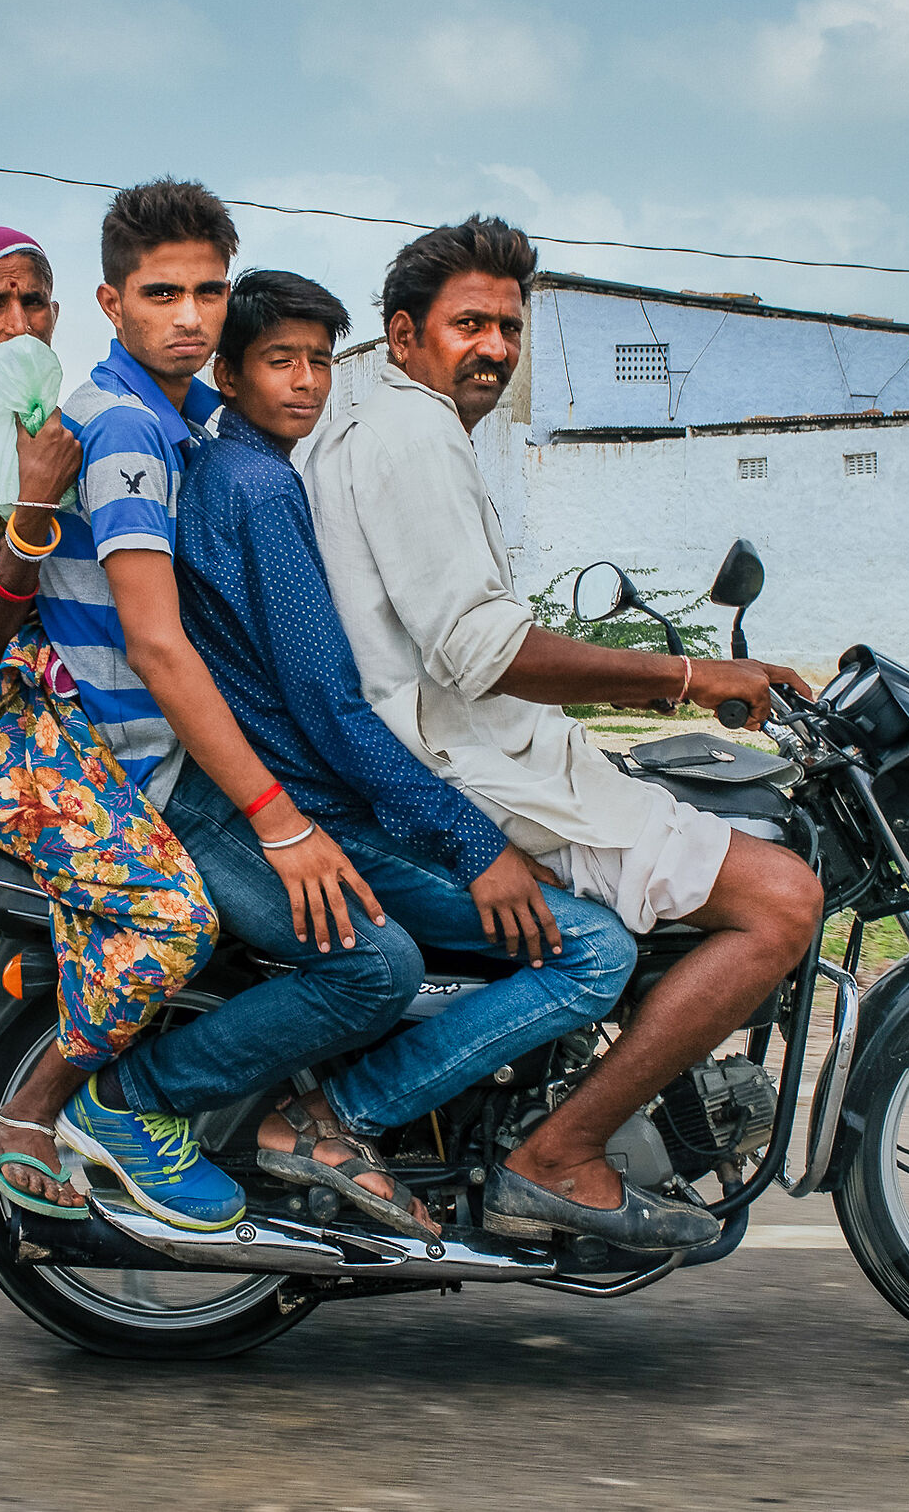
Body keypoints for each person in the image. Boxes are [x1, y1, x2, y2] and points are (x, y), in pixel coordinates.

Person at [305, 216, 826, 1251]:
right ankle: (557, 1154)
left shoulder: (392, 429)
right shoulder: (410, 435)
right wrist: (686, 678)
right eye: (470, 324)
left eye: (509, 325)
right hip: (473, 774)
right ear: (405, 337)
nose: (496, 345)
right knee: (783, 900)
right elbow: (481, 647)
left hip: (478, 755)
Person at [102, 267, 637, 1236]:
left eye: (318, 361)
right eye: (278, 360)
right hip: (298, 803)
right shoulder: (260, 487)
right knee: (595, 949)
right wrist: (473, 842)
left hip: (302, 791)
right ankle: (312, 1116)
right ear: (228, 374)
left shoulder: (245, 469)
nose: (305, 381)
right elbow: (331, 705)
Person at [31, 179, 410, 1226]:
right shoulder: (123, 434)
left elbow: (265, 418)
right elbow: (157, 643)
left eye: (208, 292)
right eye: (162, 295)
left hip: (173, 752)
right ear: (112, 305)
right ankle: (131, 1109)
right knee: (376, 967)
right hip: (155, 771)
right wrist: (278, 822)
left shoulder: (175, 410)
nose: (191, 318)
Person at [0, 226, 230, 1232]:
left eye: (36, 304)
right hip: (1, 729)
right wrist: (31, 511)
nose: (20, 324)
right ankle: (31, 1118)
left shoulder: (54, 422)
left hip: (58, 711)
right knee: (174, 916)